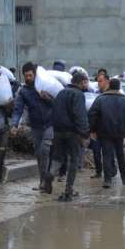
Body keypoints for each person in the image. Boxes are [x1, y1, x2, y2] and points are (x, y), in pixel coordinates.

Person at [43, 71, 89, 201]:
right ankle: (69, 190)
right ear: (80, 82)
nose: (86, 85)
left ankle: (50, 174)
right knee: (74, 160)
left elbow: (54, 111)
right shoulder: (78, 94)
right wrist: (84, 133)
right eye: (85, 82)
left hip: (57, 132)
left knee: (57, 157)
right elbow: (80, 115)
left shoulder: (61, 93)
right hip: (72, 133)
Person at [10, 63, 53, 192]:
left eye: (30, 75)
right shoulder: (23, 92)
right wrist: (14, 125)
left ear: (35, 75)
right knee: (40, 154)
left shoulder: (45, 87)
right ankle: (43, 181)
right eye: (26, 76)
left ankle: (48, 178)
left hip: (50, 123)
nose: (28, 78)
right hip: (36, 126)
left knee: (45, 150)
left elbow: (58, 101)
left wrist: (48, 98)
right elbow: (18, 110)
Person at [88, 78, 125, 188]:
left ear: (109, 85)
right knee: (120, 155)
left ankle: (108, 180)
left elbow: (92, 115)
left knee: (106, 155)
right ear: (119, 87)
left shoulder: (100, 99)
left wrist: (92, 130)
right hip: (120, 133)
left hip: (104, 132)